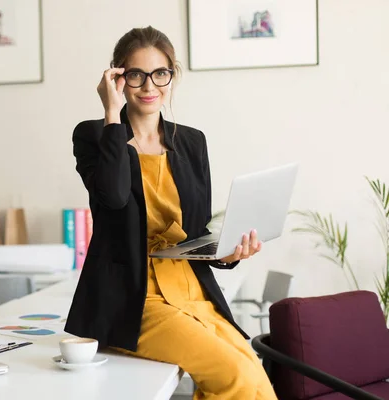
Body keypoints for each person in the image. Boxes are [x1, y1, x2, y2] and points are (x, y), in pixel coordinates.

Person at [64, 26, 277, 399]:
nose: (150, 86)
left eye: (160, 74)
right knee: (233, 375)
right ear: (117, 77)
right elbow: (113, 197)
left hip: (191, 287)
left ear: (172, 75)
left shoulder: (192, 141)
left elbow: (196, 232)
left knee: (251, 372)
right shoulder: (94, 135)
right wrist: (111, 113)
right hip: (135, 297)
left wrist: (228, 253)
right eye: (136, 75)